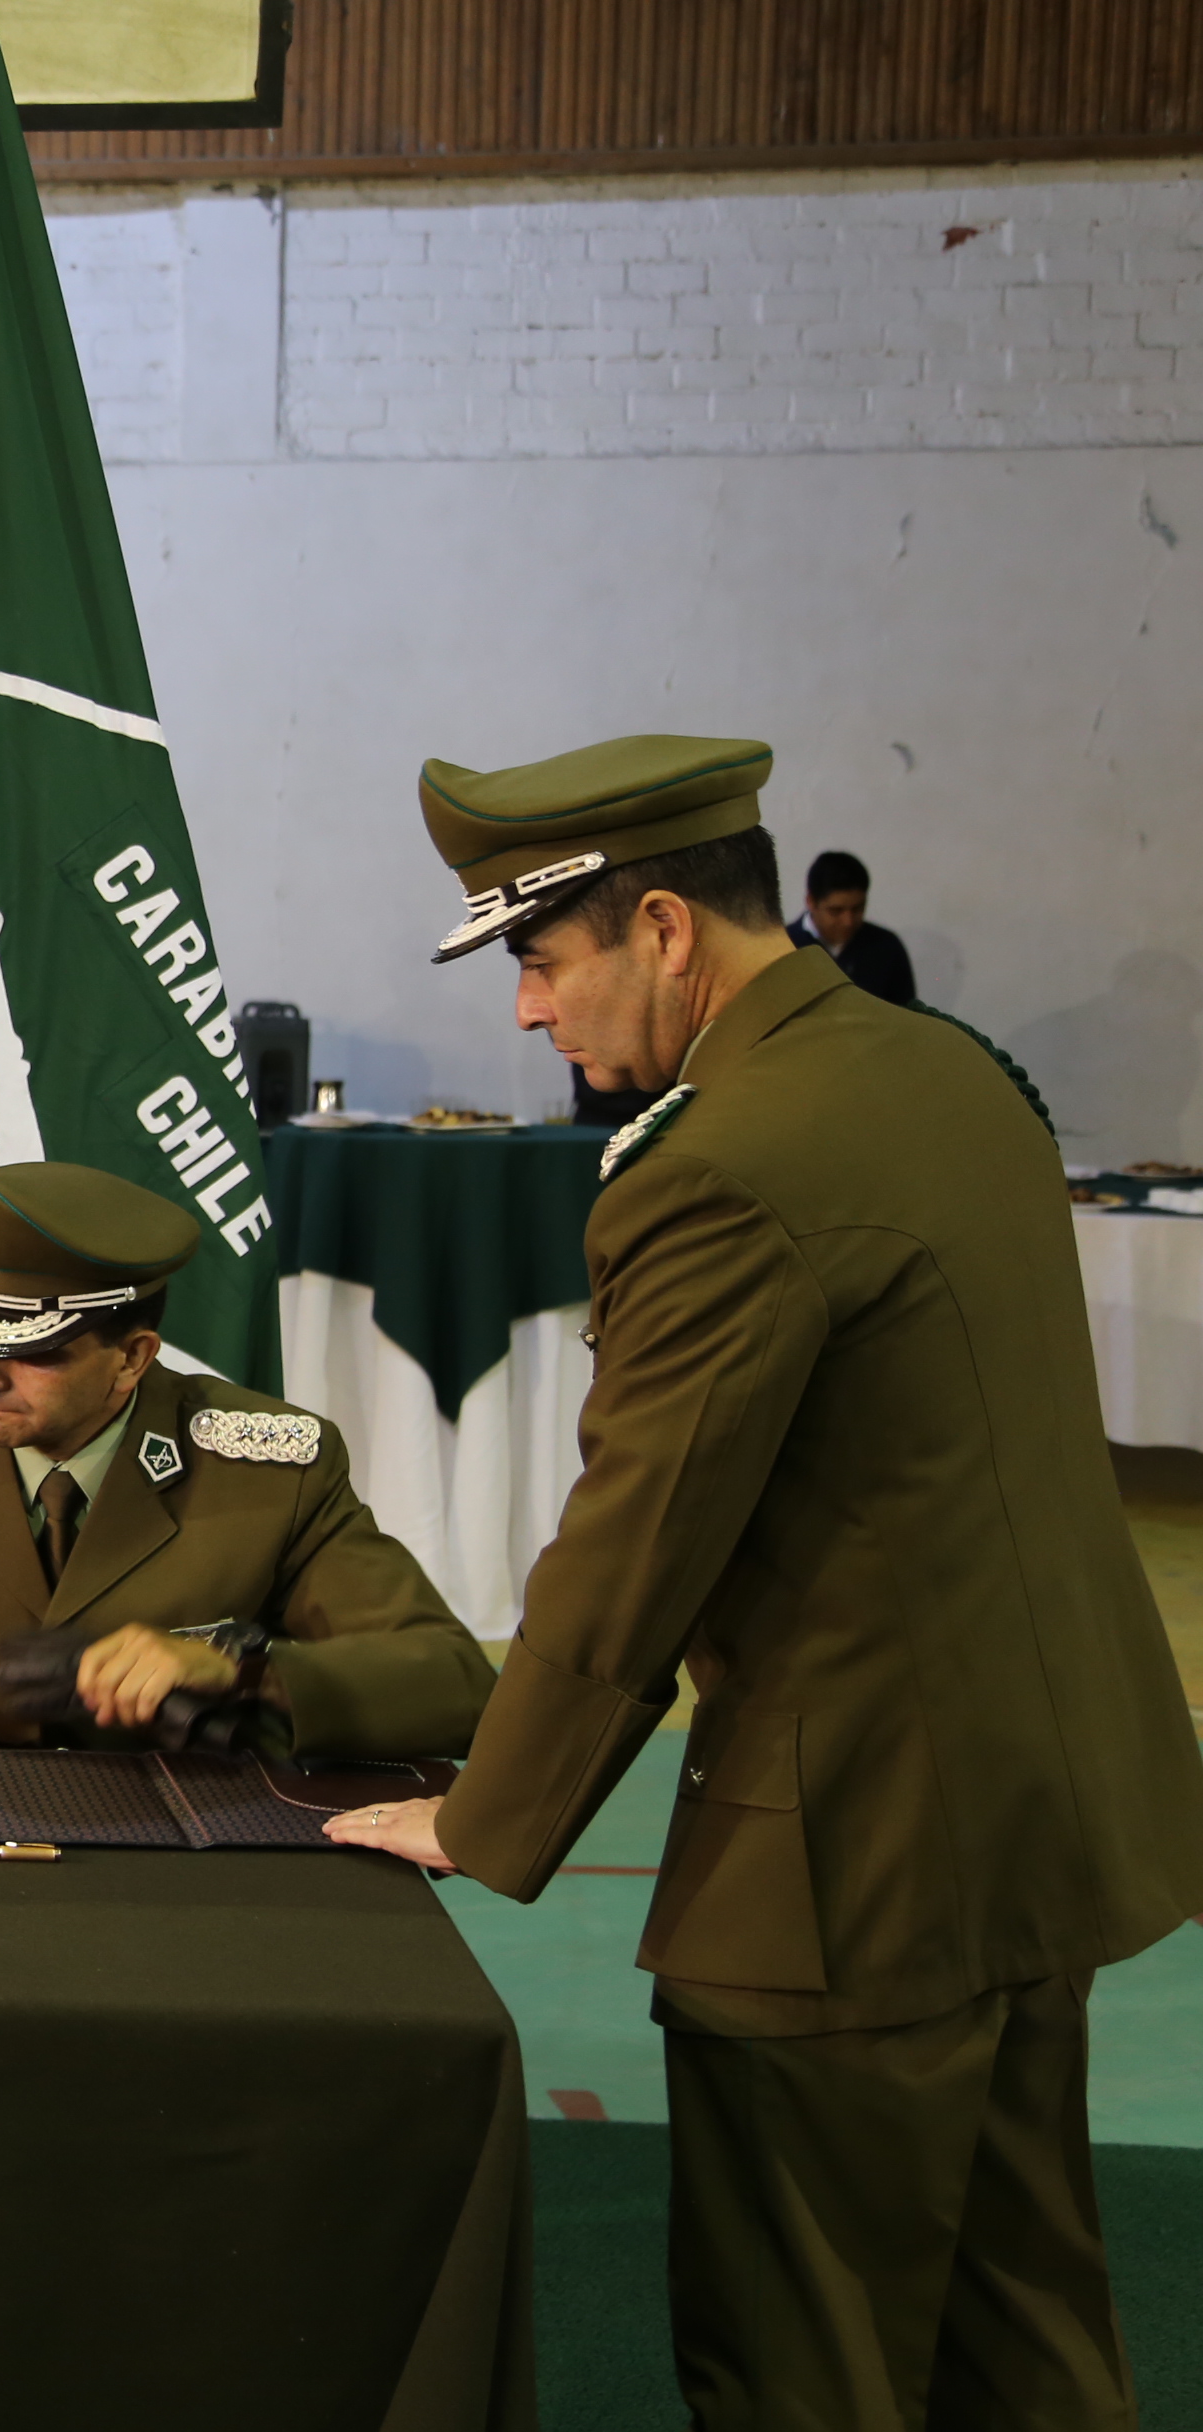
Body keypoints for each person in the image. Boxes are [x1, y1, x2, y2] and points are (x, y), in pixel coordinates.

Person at [330, 734, 1203, 2429]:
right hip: (1040, 1814)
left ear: (661, 928)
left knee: (802, 2356)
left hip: (846, 1862)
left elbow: (635, 1541)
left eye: (536, 955)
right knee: (1015, 2334)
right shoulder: (946, 1073)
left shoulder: (719, 1163)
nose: (523, 1012)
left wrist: (482, 1810)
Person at [0, 1162, 491, 1760]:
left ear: (132, 1359)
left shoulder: (269, 1473)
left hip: (187, 1863)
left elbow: (456, 1686)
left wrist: (242, 1667)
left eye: (31, 1352)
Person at [789, 847, 918, 1006]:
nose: (848, 921)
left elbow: (907, 1015)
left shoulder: (886, 947)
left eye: (857, 909)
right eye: (836, 911)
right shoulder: (783, 947)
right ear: (810, 901)